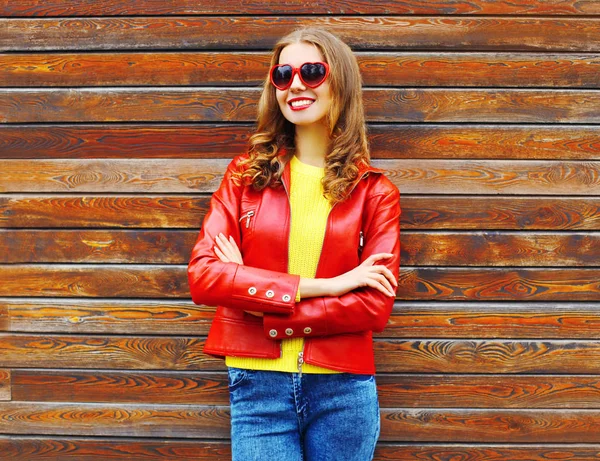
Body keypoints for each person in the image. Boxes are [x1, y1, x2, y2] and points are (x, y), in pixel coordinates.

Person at [187, 26, 401, 461]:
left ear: (340, 82)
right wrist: (334, 284)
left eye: (312, 71)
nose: (296, 84)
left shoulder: (375, 192)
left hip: (343, 387)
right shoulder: (245, 177)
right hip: (257, 386)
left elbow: (372, 307)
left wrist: (255, 301)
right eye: (283, 74)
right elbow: (205, 277)